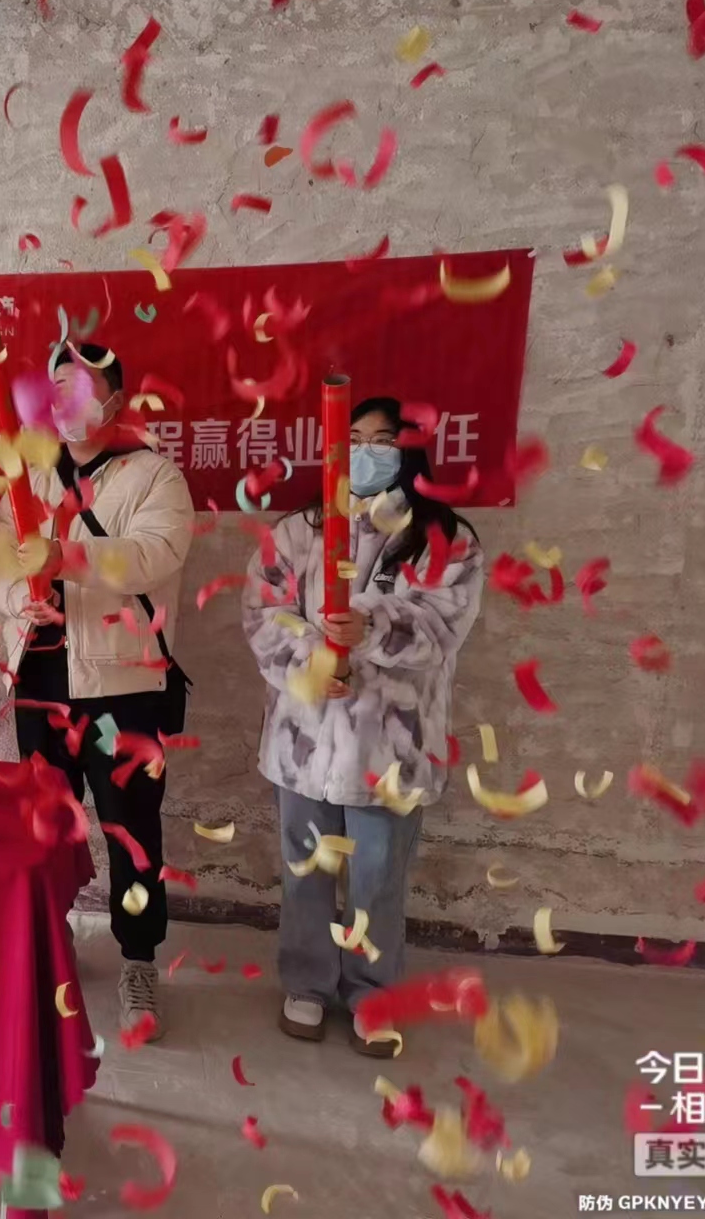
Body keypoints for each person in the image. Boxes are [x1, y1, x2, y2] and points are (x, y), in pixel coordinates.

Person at [241, 394, 484, 1056]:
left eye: (382, 440)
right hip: (306, 738)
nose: (366, 451)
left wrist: (371, 629)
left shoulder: (446, 539)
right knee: (305, 868)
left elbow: (442, 627)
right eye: (353, 438)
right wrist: (314, 661)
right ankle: (307, 981)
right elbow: (263, 615)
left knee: (378, 878)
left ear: (410, 451)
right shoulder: (299, 531)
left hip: (392, 745)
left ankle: (373, 991)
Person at [0, 342, 194, 1040]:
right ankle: (52, 941)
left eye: (81, 390)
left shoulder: (154, 475)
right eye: (57, 390)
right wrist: (20, 598)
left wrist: (63, 556)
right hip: (41, 677)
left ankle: (138, 959)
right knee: (47, 827)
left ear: (115, 402)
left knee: (131, 830)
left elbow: (154, 554)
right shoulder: (31, 477)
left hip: (123, 686)